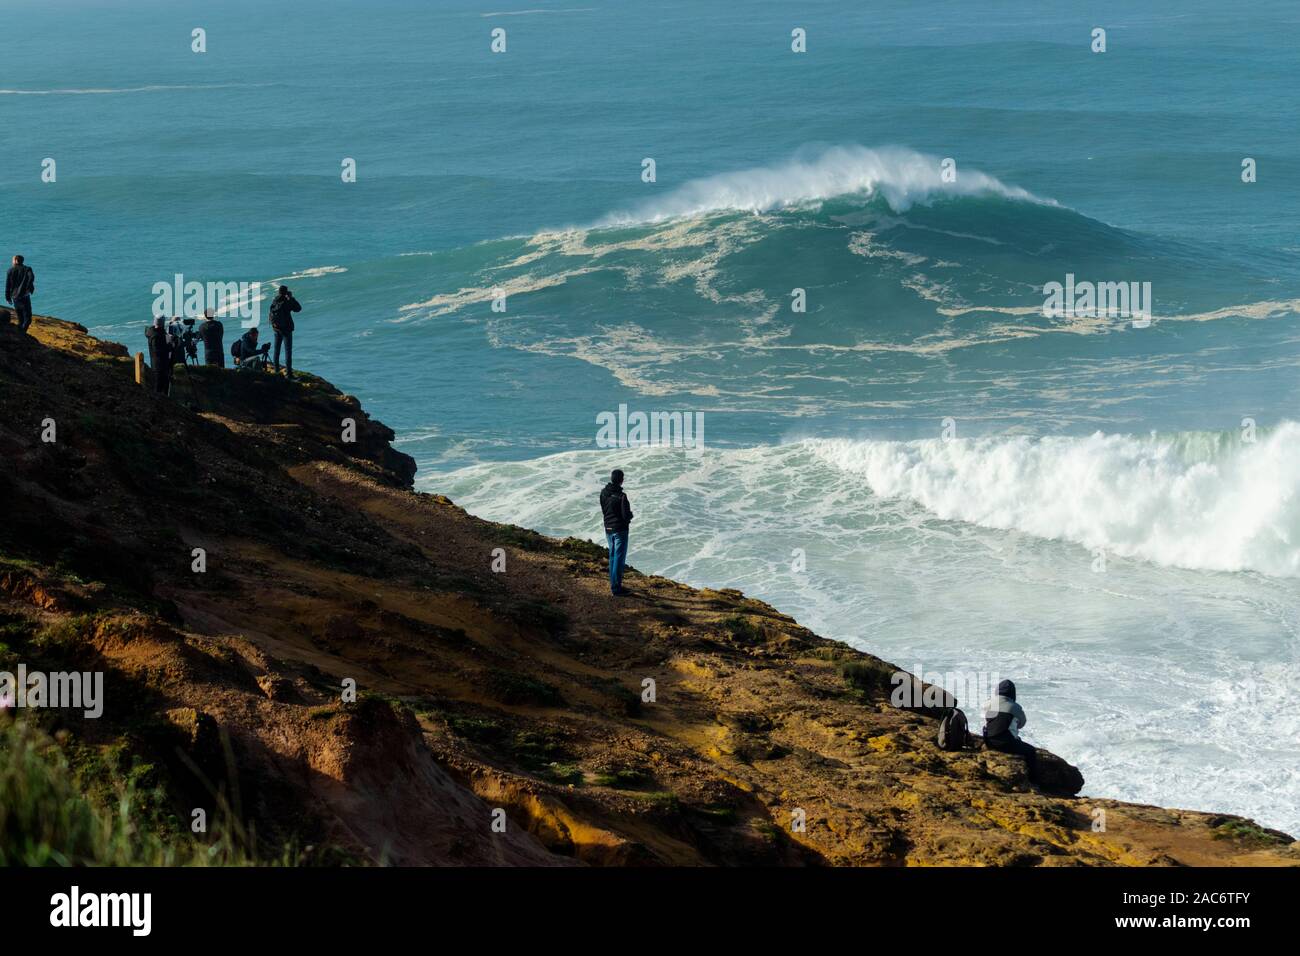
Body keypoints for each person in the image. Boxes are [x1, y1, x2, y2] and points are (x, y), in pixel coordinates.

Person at [982, 679, 1037, 779]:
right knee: (1031, 751)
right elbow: (1021, 724)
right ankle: (1034, 779)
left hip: (988, 741)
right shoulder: (1015, 707)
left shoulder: (987, 704)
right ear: (1012, 694)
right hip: (1005, 744)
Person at [599, 469, 634, 596]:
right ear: (621, 480)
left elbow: (604, 510)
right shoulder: (622, 496)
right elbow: (626, 516)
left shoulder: (603, 493)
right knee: (619, 558)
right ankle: (616, 589)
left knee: (612, 556)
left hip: (608, 528)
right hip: (620, 530)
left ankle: (614, 585)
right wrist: (631, 516)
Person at [268, 285, 302, 378]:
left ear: (279, 292)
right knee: (288, 351)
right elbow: (298, 308)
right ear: (286, 292)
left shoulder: (275, 300)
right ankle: (289, 374)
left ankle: (276, 371)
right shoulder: (287, 302)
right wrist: (291, 298)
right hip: (286, 329)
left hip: (276, 329)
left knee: (276, 350)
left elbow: (271, 312)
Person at [5, 255, 35, 334]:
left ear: (16, 261)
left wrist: (7, 297)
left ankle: (20, 333)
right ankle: (22, 333)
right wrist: (28, 288)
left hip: (15, 297)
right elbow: (31, 277)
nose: (12, 262)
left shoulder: (10, 270)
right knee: (28, 319)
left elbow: (7, 285)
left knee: (20, 319)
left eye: (12, 260)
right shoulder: (27, 269)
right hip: (24, 297)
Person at [145, 317, 172, 395]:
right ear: (162, 323)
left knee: (160, 385)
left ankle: (162, 401)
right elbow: (157, 350)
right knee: (159, 386)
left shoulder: (152, 332)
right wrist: (169, 346)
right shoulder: (156, 336)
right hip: (159, 364)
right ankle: (159, 402)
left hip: (157, 363)